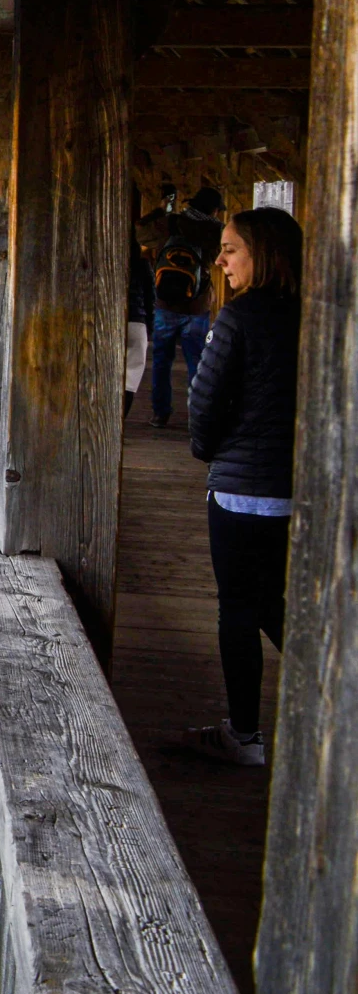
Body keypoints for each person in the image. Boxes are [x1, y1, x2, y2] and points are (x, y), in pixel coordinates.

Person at [178, 205, 301, 766]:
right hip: (300, 490)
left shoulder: (238, 317)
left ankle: (245, 737)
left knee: (239, 610)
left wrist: (208, 452)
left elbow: (203, 401)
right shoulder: (316, 314)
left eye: (231, 249)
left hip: (242, 490)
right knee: (276, 601)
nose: (220, 259)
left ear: (262, 254)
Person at [150, 185, 225, 428]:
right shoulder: (216, 230)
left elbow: (142, 234)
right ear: (214, 209)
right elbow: (216, 259)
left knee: (161, 360)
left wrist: (161, 210)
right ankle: (196, 417)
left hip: (164, 303)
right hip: (196, 305)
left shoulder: (171, 222)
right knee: (197, 363)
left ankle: (160, 413)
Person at [126, 240, 154, 418]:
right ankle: (121, 420)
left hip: (105, 323)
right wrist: (149, 327)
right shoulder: (142, 265)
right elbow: (151, 297)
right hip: (136, 321)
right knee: (130, 378)